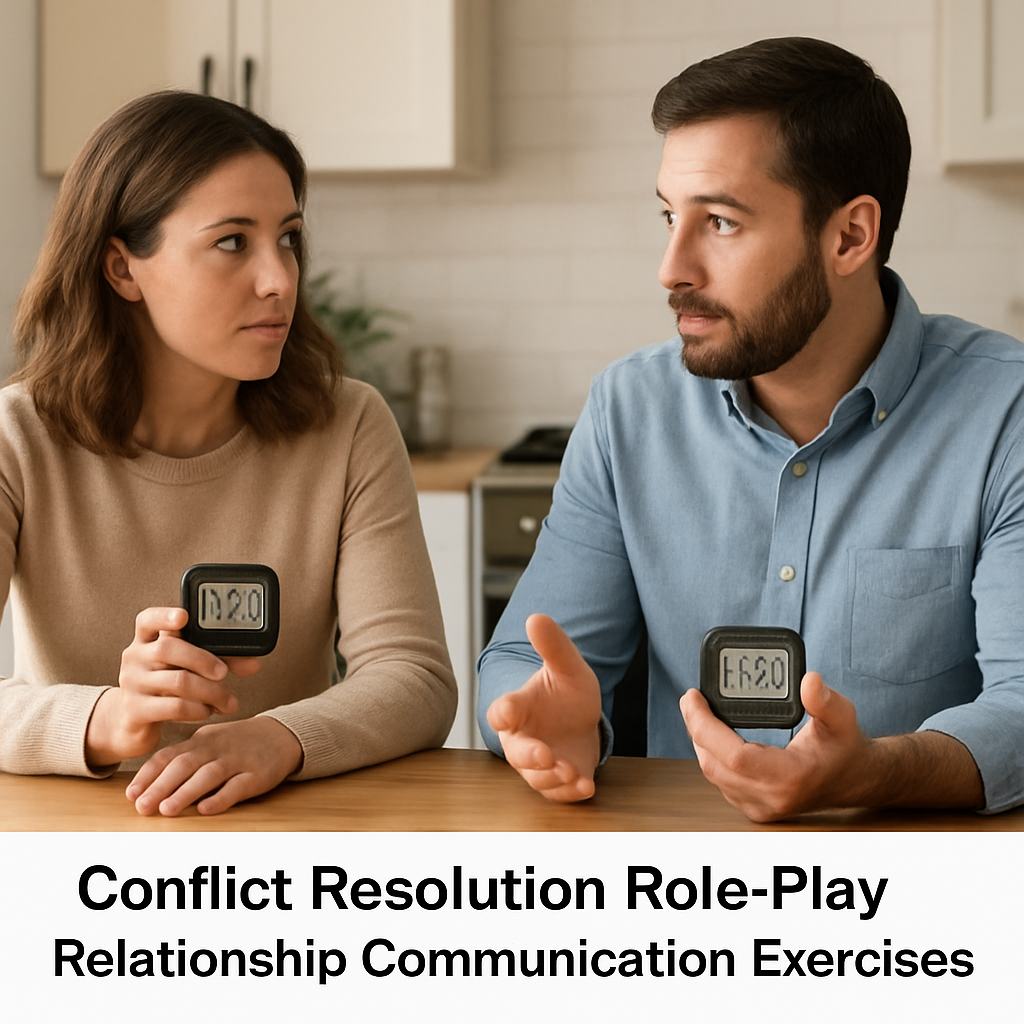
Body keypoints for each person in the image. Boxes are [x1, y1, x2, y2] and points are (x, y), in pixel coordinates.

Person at [477, 36, 1024, 821]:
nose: (672, 267)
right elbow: (527, 659)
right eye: (669, 216)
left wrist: (876, 772)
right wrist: (535, 721)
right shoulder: (628, 408)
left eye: (721, 223)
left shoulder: (1006, 413)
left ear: (850, 237)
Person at [0, 91, 456, 816]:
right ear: (122, 269)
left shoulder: (349, 425)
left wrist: (278, 739)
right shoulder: (15, 438)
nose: (279, 279)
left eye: (289, 238)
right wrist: (109, 718)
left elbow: (415, 678)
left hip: (289, 840)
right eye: (233, 241)